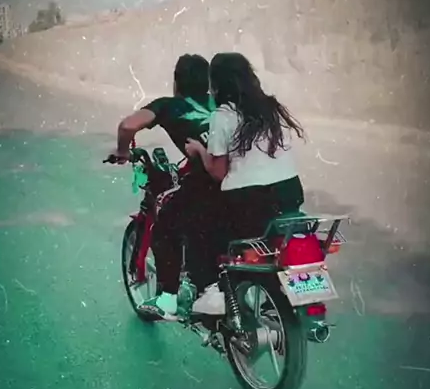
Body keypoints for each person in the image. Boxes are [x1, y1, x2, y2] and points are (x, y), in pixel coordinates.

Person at [185, 52, 305, 315]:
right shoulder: (271, 108)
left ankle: (212, 292)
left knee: (203, 228)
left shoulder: (223, 115)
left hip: (250, 200)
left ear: (217, 84)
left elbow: (218, 172)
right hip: (289, 191)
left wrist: (200, 151)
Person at [110, 54, 221, 320]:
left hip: (209, 182)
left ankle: (168, 299)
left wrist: (122, 151)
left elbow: (127, 125)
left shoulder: (169, 105)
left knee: (164, 228)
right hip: (240, 179)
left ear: (176, 82)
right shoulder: (222, 102)